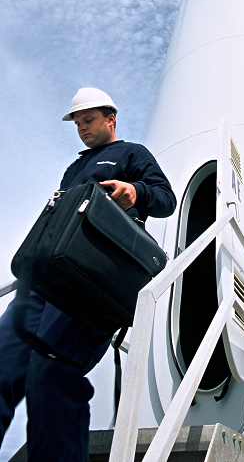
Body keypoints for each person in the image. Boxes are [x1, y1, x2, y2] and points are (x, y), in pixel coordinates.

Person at [0, 88, 176, 462]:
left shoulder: (131, 154)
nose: (82, 128)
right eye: (77, 123)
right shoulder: (73, 167)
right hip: (42, 277)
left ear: (110, 119)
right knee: (2, 366)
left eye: (89, 120)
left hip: (89, 281)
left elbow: (165, 198)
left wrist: (135, 190)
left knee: (50, 375)